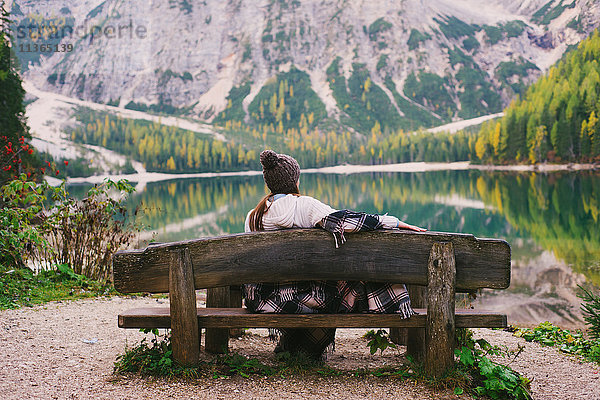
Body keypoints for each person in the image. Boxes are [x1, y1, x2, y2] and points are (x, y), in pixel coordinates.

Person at [243, 150, 427, 359]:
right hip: (309, 299)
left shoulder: (253, 216)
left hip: (264, 299)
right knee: (348, 286)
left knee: (318, 285)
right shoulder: (305, 206)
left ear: (269, 183)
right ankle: (306, 349)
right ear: (295, 180)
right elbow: (345, 222)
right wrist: (393, 222)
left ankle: (291, 345)